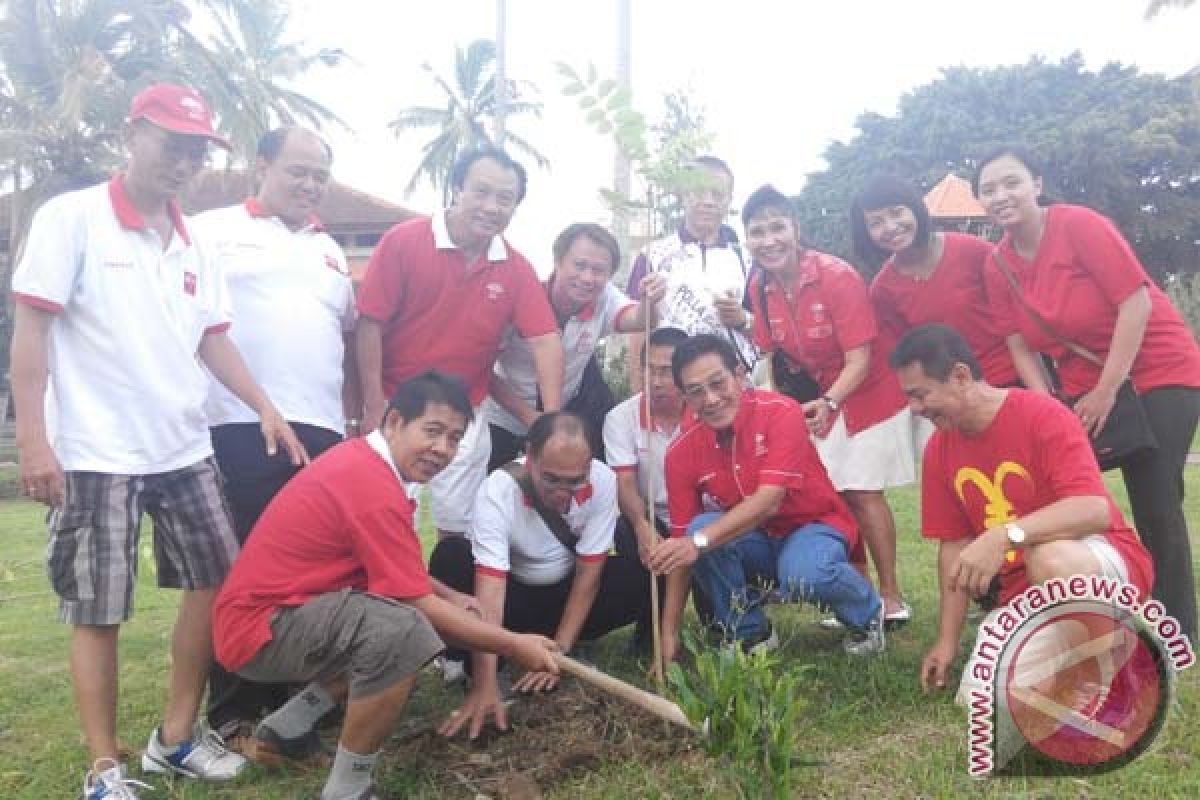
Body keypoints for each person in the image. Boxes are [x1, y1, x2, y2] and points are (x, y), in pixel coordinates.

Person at [9, 84, 307, 799]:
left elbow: (212, 337)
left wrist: (264, 404)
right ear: (131, 133)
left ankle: (174, 739)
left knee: (215, 581)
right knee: (98, 608)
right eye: (171, 142)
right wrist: (33, 440)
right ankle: (104, 771)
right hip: (93, 451)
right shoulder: (71, 218)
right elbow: (32, 332)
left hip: (182, 445)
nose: (184, 160)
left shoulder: (195, 237)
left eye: (197, 149)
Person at [212, 372, 560, 800]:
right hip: (261, 628)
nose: (442, 450)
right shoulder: (368, 481)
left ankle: (285, 732)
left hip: (277, 616)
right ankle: (348, 790)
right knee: (401, 634)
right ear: (394, 422)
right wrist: (512, 643)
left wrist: (451, 595)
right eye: (432, 431)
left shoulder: (369, 466)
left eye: (454, 439)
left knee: (394, 626)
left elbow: (399, 571)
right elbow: (417, 605)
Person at [974, 145, 1200, 643]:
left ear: (1037, 182)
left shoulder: (1079, 224)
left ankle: (1176, 628)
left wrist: (1106, 389)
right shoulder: (999, 264)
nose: (1001, 196)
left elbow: (1135, 302)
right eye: (988, 189)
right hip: (1082, 391)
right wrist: (1048, 406)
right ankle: (1054, 593)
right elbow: (1018, 343)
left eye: (1011, 182)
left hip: (1157, 371)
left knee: (1156, 497)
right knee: (1052, 489)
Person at [190, 126, 355, 741]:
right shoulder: (210, 231)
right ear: (262, 164)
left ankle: (299, 694)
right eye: (298, 171)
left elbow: (343, 339)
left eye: (320, 175)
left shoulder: (331, 250)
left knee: (312, 568)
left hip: (322, 433)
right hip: (240, 423)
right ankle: (233, 703)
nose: (310, 184)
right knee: (240, 567)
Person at [889, 324, 1154, 696]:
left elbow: (1093, 509)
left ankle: (1118, 665)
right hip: (1026, 595)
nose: (914, 409)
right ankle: (1071, 656)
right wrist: (946, 642)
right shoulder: (939, 450)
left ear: (961, 376)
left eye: (920, 395)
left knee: (1049, 557)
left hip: (1095, 565)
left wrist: (1005, 535)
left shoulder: (1042, 414)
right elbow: (953, 547)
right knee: (982, 696)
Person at [355, 146, 564, 539]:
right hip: (395, 408)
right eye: (481, 192)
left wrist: (550, 421)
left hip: (465, 414)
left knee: (459, 528)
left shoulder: (516, 268)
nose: (491, 207)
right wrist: (372, 404)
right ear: (457, 188)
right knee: (389, 521)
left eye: (505, 198)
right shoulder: (403, 241)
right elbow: (370, 323)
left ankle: (454, 598)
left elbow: (546, 341)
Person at [647, 335, 886, 660]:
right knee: (697, 528)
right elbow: (681, 548)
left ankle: (867, 616)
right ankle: (751, 634)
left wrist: (697, 542)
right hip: (753, 539)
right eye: (696, 391)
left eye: (718, 383)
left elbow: (770, 500)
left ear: (740, 374)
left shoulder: (781, 411)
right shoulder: (680, 452)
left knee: (803, 572)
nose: (711, 399)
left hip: (813, 526)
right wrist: (668, 632)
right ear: (685, 397)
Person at [744, 185, 913, 627]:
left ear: (796, 229)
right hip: (819, 397)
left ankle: (892, 596)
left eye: (777, 227)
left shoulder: (836, 275)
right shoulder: (759, 285)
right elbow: (769, 353)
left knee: (861, 489)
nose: (769, 240)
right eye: (757, 231)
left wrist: (830, 400)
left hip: (867, 391)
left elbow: (860, 358)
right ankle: (855, 589)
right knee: (832, 493)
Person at [429, 412, 651, 739]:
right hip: (511, 602)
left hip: (562, 595)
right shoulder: (497, 491)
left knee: (637, 574)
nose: (562, 493)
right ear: (529, 456)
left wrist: (558, 654)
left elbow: (588, 576)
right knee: (450, 558)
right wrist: (485, 683)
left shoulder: (604, 481)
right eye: (551, 479)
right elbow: (489, 595)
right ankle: (475, 661)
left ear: (590, 465)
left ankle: (561, 642)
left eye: (575, 480)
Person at [484, 223, 666, 469]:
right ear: (558, 261)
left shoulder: (605, 299)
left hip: (564, 414)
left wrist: (649, 301)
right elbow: (482, 368)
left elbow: (641, 320)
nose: (587, 278)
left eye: (599, 270)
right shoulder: (521, 298)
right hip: (503, 417)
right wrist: (529, 417)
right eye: (579, 266)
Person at [852, 175, 1030, 390]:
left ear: (915, 209)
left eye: (896, 213)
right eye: (876, 223)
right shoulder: (883, 291)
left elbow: (1021, 306)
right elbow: (909, 354)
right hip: (955, 395)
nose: (890, 227)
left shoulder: (972, 251)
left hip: (1014, 378)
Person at [625, 156, 756, 392]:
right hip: (673, 388)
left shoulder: (747, 259)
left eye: (717, 194)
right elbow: (637, 331)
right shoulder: (652, 255)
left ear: (729, 201)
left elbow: (766, 329)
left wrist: (742, 319)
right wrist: (640, 395)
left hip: (732, 388)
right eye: (698, 191)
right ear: (683, 195)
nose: (708, 201)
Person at [604, 326, 690, 563]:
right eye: (648, 371)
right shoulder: (620, 417)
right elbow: (625, 483)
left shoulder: (706, 410)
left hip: (702, 517)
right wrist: (641, 525)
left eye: (666, 372)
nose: (655, 381)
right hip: (654, 517)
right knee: (625, 532)